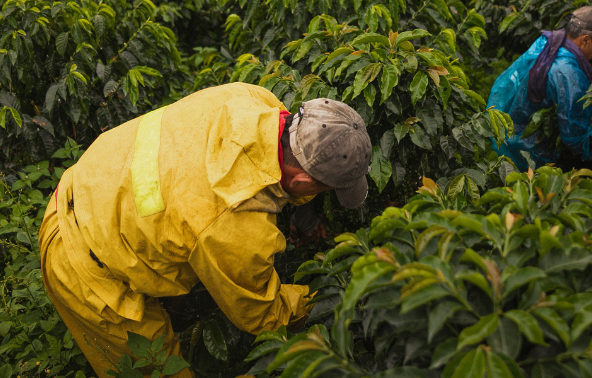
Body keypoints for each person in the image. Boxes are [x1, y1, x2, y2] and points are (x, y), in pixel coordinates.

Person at [39, 83, 372, 377]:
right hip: (80, 262)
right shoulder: (234, 223)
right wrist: (331, 297)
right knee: (157, 369)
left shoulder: (253, 99)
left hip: (88, 181)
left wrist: (303, 209)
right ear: (302, 181)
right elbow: (262, 312)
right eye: (325, 189)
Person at [487, 6, 592, 171]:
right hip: (525, 150)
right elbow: (574, 136)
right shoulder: (568, 73)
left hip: (502, 130)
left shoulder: (549, 42)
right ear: (586, 40)